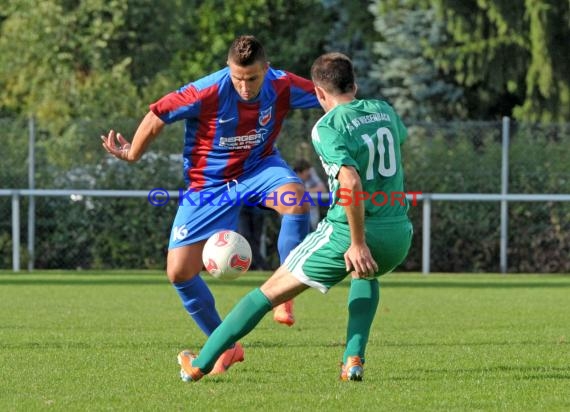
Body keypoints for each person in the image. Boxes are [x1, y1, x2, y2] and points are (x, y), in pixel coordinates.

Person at [177, 52, 413, 382]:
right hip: (398, 233)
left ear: (317, 92)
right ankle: (352, 360)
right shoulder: (384, 111)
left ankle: (199, 364)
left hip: (348, 234)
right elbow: (396, 145)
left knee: (264, 295)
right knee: (366, 276)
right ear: (354, 85)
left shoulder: (327, 126)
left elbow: (350, 181)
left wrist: (357, 242)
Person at [101, 35, 320, 374]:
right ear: (228, 70)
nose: (244, 87)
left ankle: (285, 292)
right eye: (237, 78)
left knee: (296, 199)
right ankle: (227, 348)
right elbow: (158, 114)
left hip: (260, 167)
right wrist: (132, 153)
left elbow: (328, 96)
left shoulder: (282, 84)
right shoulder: (207, 90)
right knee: (179, 272)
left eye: (252, 78)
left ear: (266, 68)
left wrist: (358, 115)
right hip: (209, 185)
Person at [293, 158, 327, 230]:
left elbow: (323, 190)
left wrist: (304, 191)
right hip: (297, 217)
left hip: (312, 216)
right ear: (300, 173)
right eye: (306, 171)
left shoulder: (311, 175)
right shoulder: (292, 178)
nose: (309, 173)